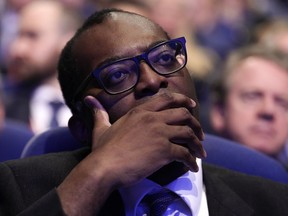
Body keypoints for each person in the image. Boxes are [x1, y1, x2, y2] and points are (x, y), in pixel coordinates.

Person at [1, 8, 288, 216]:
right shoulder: (19, 188)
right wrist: (99, 173)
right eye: (117, 75)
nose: (152, 81)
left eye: (164, 58)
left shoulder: (272, 200)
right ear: (83, 127)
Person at [3, 0, 83, 133]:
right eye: (18, 36)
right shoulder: (5, 105)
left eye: (32, 36)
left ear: (69, 40)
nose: (17, 49)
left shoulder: (98, 108)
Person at [209, 45, 288, 168]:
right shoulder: (193, 181)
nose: (268, 110)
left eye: (281, 103)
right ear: (219, 111)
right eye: (252, 97)